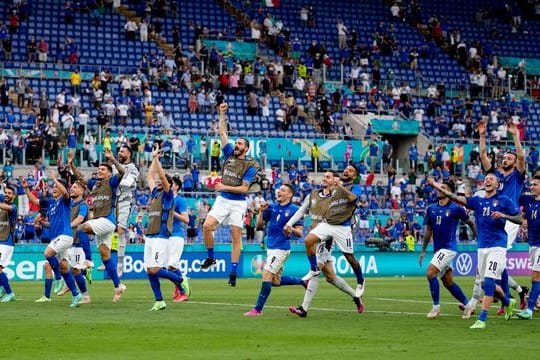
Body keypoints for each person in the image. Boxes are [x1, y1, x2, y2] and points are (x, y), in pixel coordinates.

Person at [430, 173, 522, 329]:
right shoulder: (477, 201)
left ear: (497, 184)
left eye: (491, 179)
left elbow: (519, 219)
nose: (488, 180)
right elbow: (457, 198)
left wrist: (503, 215)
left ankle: (482, 319)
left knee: (488, 281)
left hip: (497, 247)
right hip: (482, 248)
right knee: (486, 285)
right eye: (486, 179)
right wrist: (437, 187)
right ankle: (508, 302)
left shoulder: (504, 201)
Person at [463, 121, 528, 315]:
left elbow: (522, 156)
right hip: (491, 217)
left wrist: (515, 135)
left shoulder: (517, 176)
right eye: (505, 157)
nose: (506, 160)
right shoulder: (494, 175)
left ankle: (476, 302)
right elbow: (483, 155)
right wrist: (481, 135)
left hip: (508, 219)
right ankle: (514, 294)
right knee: (498, 264)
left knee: (493, 262)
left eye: (510, 158)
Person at [200, 103, 259, 287]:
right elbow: (223, 133)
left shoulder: (251, 165)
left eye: (240, 143)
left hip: (238, 203)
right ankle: (211, 258)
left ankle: (233, 272)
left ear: (246, 148)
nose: (236, 144)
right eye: (237, 142)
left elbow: (243, 189)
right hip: (222, 200)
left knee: (235, 237)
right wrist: (221, 113)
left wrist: (224, 185)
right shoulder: (229, 154)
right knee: (206, 226)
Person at [286, 177, 363, 317]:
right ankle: (355, 296)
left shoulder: (338, 197)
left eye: (328, 177)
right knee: (330, 277)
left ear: (334, 181)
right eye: (324, 177)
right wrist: (289, 224)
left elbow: (350, 217)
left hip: (327, 239)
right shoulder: (313, 195)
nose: (324, 179)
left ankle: (304, 309)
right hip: (315, 235)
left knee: (316, 271)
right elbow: (301, 211)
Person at [69, 149, 126, 302]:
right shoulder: (95, 184)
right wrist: (72, 166)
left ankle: (88, 260)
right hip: (100, 221)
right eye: (98, 169)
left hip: (107, 220)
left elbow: (122, 172)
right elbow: (81, 178)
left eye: (102, 169)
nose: (99, 171)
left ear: (109, 173)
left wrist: (112, 158)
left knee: (81, 227)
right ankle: (118, 285)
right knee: (105, 255)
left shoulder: (112, 181)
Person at [243, 184, 306, 316]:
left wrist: (291, 229)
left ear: (290, 195)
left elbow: (300, 233)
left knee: (266, 274)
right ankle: (302, 281)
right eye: (279, 190)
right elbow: (259, 225)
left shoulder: (295, 210)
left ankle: (257, 309)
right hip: (271, 247)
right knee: (275, 282)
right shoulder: (272, 207)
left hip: (281, 248)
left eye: (283, 190)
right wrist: (261, 211)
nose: (279, 191)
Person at [24, 172, 82, 307]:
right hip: (57, 237)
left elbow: (66, 193)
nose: (54, 189)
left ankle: (57, 278)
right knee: (64, 267)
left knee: (47, 253)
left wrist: (55, 179)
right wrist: (26, 189)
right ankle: (76, 294)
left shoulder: (65, 201)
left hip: (65, 235)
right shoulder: (51, 204)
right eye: (53, 187)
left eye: (56, 187)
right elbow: (34, 201)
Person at [419, 181, 476, 318]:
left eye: (442, 188)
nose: (439, 189)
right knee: (448, 282)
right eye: (439, 187)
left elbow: (470, 223)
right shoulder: (431, 208)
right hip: (438, 250)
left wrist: (477, 236)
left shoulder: (456, 208)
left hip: (449, 248)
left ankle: (436, 307)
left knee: (430, 273)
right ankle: (468, 306)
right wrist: (423, 250)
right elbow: (428, 230)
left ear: (449, 192)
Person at [144, 146, 189, 311]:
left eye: (162, 181)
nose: (158, 181)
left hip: (161, 236)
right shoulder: (154, 193)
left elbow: (162, 177)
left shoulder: (168, 195)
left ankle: (179, 279)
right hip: (150, 235)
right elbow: (150, 176)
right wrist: (153, 158)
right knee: (150, 270)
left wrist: (158, 162)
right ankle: (159, 300)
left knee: (156, 268)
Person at [58, 180, 92, 304]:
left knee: (75, 269)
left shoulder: (83, 205)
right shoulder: (69, 204)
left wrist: (69, 226)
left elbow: (80, 218)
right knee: (63, 266)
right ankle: (73, 280)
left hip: (79, 242)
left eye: (75, 187)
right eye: (71, 187)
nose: (72, 189)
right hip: (68, 241)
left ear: (82, 191)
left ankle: (86, 297)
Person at [114, 144, 140, 277]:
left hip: (124, 202)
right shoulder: (114, 166)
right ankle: (105, 259)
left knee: (120, 230)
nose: (119, 153)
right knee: (104, 228)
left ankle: (120, 263)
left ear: (129, 154)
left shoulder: (134, 168)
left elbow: (128, 183)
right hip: (112, 202)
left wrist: (114, 182)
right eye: (119, 151)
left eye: (122, 151)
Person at [516, 175, 540, 319]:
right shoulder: (527, 200)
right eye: (531, 184)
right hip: (532, 244)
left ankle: (529, 310)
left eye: (535, 185)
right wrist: (523, 219)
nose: (532, 187)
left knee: (536, 275)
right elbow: (514, 198)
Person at [170, 175, 191, 302]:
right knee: (168, 267)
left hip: (176, 235)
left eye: (171, 183)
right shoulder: (165, 199)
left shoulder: (179, 200)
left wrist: (173, 213)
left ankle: (182, 289)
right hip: (165, 236)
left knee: (171, 266)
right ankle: (180, 285)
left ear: (176, 186)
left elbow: (186, 219)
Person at [0, 185, 18, 302]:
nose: (7, 194)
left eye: (9, 193)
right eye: (5, 192)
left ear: (14, 196)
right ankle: (2, 288)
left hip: (6, 242)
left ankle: (9, 293)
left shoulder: (13, 207)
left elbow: (7, 207)